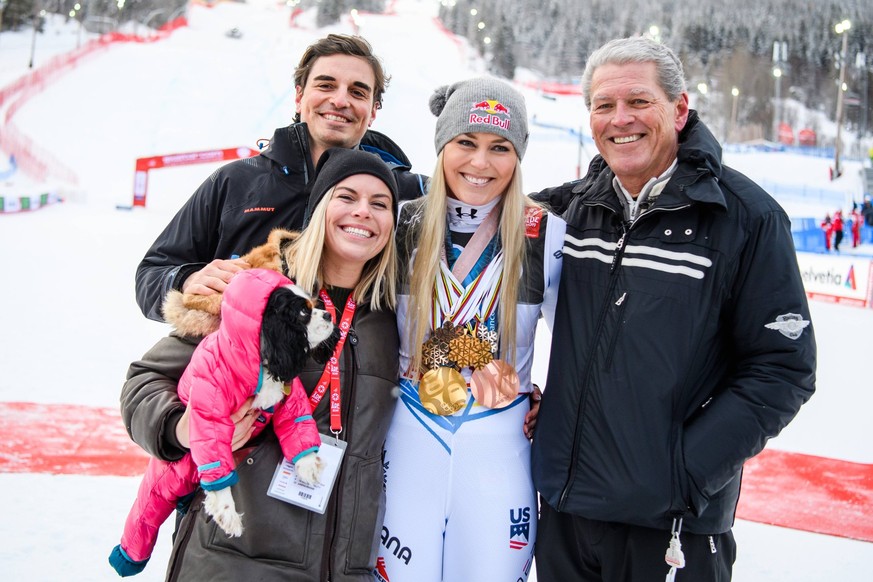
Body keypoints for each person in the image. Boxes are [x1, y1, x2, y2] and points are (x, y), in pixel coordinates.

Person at [530, 37, 816, 582]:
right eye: (603, 105)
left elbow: (783, 369)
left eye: (639, 101)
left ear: (679, 109)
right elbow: (471, 204)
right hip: (567, 514)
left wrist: (682, 473)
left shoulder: (746, 218)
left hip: (672, 530)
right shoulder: (573, 210)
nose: (621, 120)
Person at [119, 148, 403, 581]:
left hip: (344, 567)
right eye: (346, 197)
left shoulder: (391, 316)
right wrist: (186, 428)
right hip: (235, 562)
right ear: (320, 207)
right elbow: (147, 380)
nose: (363, 212)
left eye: (380, 203)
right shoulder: (259, 291)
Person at [375, 78, 565, 582]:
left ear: (517, 157)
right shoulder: (400, 223)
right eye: (465, 143)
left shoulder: (544, 232)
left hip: (499, 439)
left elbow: (582, 346)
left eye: (499, 148)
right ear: (442, 147)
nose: (480, 163)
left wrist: (558, 402)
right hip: (412, 431)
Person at [134, 33, 426, 323]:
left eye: (358, 92)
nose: (340, 100)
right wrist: (187, 279)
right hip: (242, 364)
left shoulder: (403, 195)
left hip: (354, 365)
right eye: (326, 85)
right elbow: (153, 271)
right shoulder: (236, 181)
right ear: (299, 96)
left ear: (373, 111)